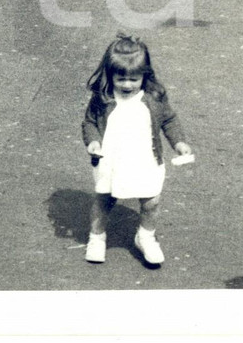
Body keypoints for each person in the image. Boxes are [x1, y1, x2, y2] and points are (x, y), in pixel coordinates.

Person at [82, 34, 192, 266]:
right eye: (121, 79)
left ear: (145, 75)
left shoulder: (153, 98)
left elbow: (169, 120)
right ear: (109, 75)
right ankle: (97, 237)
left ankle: (146, 236)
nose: (127, 85)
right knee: (104, 200)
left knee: (151, 201)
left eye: (134, 79)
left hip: (145, 158)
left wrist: (178, 142)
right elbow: (90, 122)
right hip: (111, 159)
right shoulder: (103, 98)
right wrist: (93, 142)